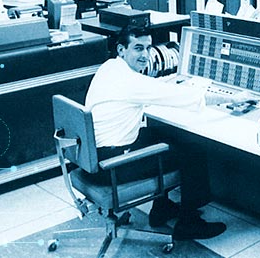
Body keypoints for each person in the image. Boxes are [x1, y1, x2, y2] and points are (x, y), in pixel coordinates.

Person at [85, 25, 227, 240]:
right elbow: (187, 97)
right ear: (121, 50)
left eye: (148, 48)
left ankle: (161, 208)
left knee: (164, 135)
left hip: (95, 156)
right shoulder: (132, 82)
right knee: (193, 152)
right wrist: (236, 99)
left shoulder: (109, 67)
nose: (145, 55)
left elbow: (148, 88)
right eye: (138, 48)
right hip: (111, 166)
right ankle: (188, 224)